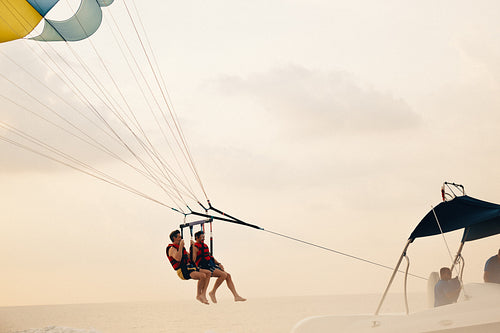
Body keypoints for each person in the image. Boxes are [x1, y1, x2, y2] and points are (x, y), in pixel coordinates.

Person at [192, 230, 246, 303]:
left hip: (211, 265)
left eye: (204, 237)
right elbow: (193, 260)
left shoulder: (204, 246)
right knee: (223, 275)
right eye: (202, 237)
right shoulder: (195, 247)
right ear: (197, 238)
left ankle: (236, 296)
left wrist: (219, 263)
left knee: (228, 276)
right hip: (204, 267)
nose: (203, 239)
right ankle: (212, 292)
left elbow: (211, 257)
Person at [166, 230, 211, 304]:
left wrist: (192, 247)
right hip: (182, 271)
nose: (181, 238)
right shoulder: (171, 249)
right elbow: (178, 258)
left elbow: (192, 259)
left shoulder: (182, 249)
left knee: (208, 273)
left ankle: (203, 294)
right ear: (174, 238)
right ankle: (198, 295)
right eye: (179, 237)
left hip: (189, 268)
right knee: (202, 276)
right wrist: (181, 246)